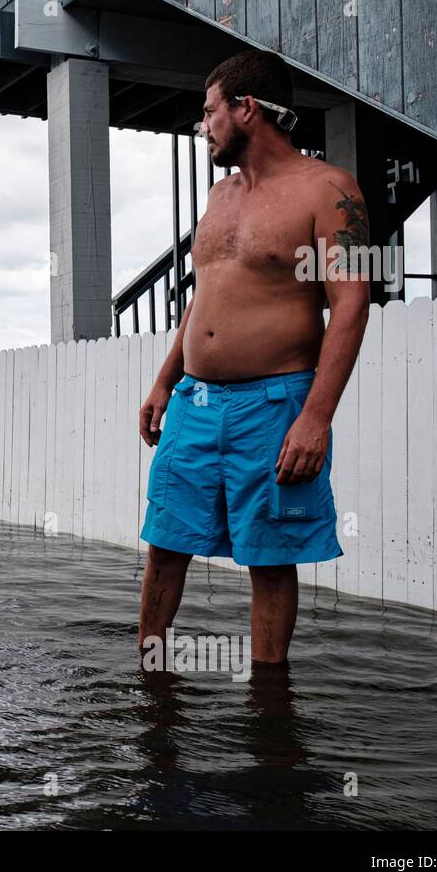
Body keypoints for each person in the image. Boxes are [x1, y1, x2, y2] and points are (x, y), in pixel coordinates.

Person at [137, 50, 371, 665]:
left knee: (269, 560)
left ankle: (270, 713)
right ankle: (151, 682)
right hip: (195, 402)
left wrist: (316, 416)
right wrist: (166, 380)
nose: (204, 126)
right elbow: (205, 298)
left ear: (247, 109)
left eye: (210, 112)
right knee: (164, 543)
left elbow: (350, 303)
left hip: (274, 404)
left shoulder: (329, 188)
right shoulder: (220, 196)